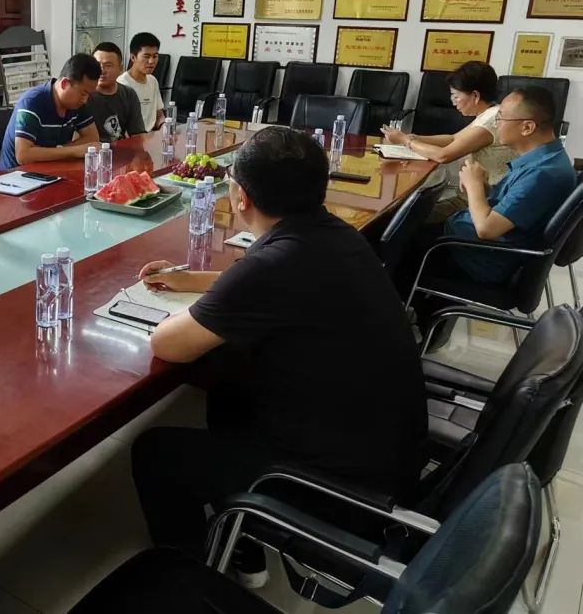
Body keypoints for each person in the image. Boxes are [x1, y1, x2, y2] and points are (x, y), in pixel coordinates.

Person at [130, 126, 427, 581]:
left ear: (240, 197)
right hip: (383, 450)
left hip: (341, 487)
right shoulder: (335, 234)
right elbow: (264, 279)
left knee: (156, 452)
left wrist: (191, 307)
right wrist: (191, 280)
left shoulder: (274, 264)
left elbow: (168, 344)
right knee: (229, 391)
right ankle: (242, 537)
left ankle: (191, 580)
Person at [439, 86, 576, 284]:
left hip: (483, 258)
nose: (496, 125)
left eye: (500, 118)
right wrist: (483, 187)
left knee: (402, 243)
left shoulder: (542, 174)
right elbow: (509, 204)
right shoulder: (544, 159)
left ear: (527, 127)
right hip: (476, 245)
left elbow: (486, 229)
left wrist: (474, 185)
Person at [381, 61, 514, 222]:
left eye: (456, 96)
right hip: (471, 199)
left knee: (395, 218)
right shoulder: (488, 114)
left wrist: (405, 140)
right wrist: (413, 137)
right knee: (399, 213)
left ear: (475, 96)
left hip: (477, 207)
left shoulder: (490, 121)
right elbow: (453, 138)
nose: (453, 101)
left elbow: (444, 155)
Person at [0, 53, 102, 170]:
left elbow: (92, 138)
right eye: (83, 93)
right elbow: (23, 155)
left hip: (52, 170)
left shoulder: (78, 103)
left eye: (89, 95)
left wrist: (60, 150)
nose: (85, 100)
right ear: (65, 84)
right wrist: (73, 151)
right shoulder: (32, 102)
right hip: (16, 175)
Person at [89, 42, 146, 142]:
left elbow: (137, 134)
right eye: (97, 65)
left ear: (120, 68)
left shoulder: (129, 94)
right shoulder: (84, 95)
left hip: (120, 148)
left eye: (108, 65)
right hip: (92, 149)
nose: (101, 71)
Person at [117, 32, 165, 132]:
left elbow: (159, 114)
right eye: (146, 56)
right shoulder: (122, 84)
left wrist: (164, 127)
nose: (151, 61)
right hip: (133, 137)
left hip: (152, 135)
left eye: (155, 56)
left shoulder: (152, 81)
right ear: (133, 57)